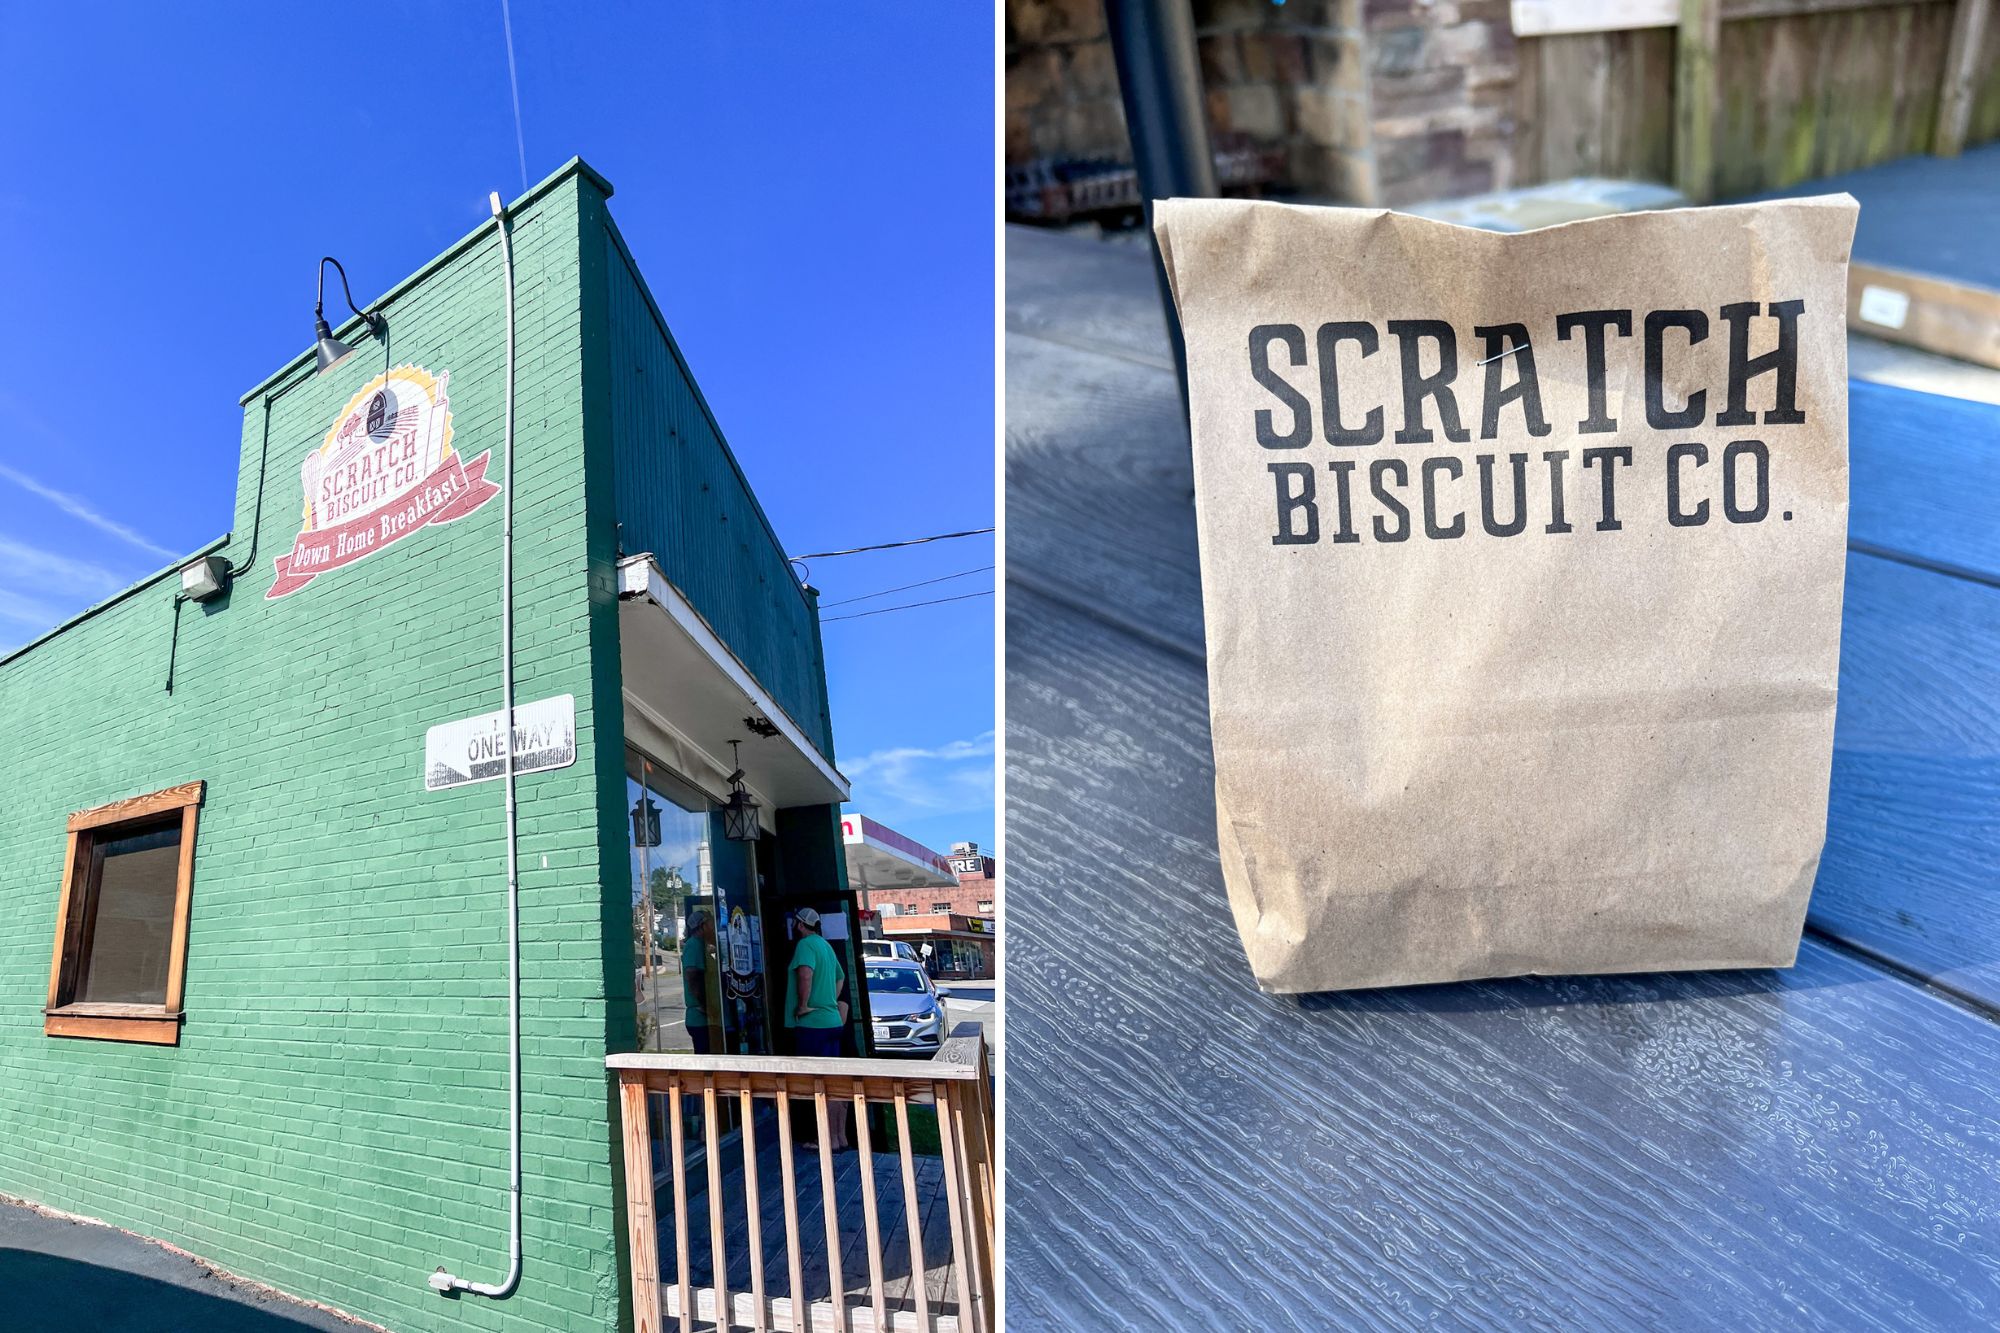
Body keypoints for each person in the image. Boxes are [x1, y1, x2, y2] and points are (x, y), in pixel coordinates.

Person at [784, 907, 851, 1150]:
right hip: (832, 1022)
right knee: (834, 1081)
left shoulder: (805, 946)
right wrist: (829, 1002)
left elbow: (805, 975)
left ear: (800, 924)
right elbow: (840, 977)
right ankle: (839, 1137)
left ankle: (825, 1139)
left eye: (795, 923)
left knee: (817, 1083)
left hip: (813, 1025)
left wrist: (804, 1005)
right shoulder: (825, 945)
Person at [682, 909, 716, 1054]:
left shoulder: (702, 946)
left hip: (708, 1019)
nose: (714, 926)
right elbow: (693, 977)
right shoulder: (694, 945)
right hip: (700, 1018)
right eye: (710, 923)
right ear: (702, 926)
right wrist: (705, 1006)